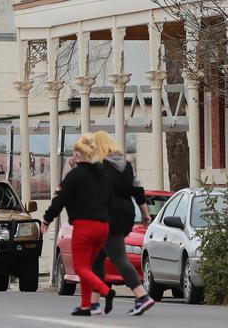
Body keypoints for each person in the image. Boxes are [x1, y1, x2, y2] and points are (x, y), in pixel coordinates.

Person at [42, 133, 114, 316]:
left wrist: (46, 220)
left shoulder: (75, 176)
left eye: (75, 153)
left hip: (84, 226)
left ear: (82, 154)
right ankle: (85, 306)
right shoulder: (103, 175)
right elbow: (110, 200)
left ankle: (105, 291)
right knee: (88, 267)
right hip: (103, 226)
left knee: (80, 267)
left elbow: (60, 200)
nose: (73, 157)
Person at [89, 132, 156, 316]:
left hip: (108, 217)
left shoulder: (98, 166)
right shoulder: (126, 166)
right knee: (97, 258)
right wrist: (144, 213)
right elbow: (138, 189)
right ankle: (94, 304)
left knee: (119, 257)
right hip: (125, 214)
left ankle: (142, 296)